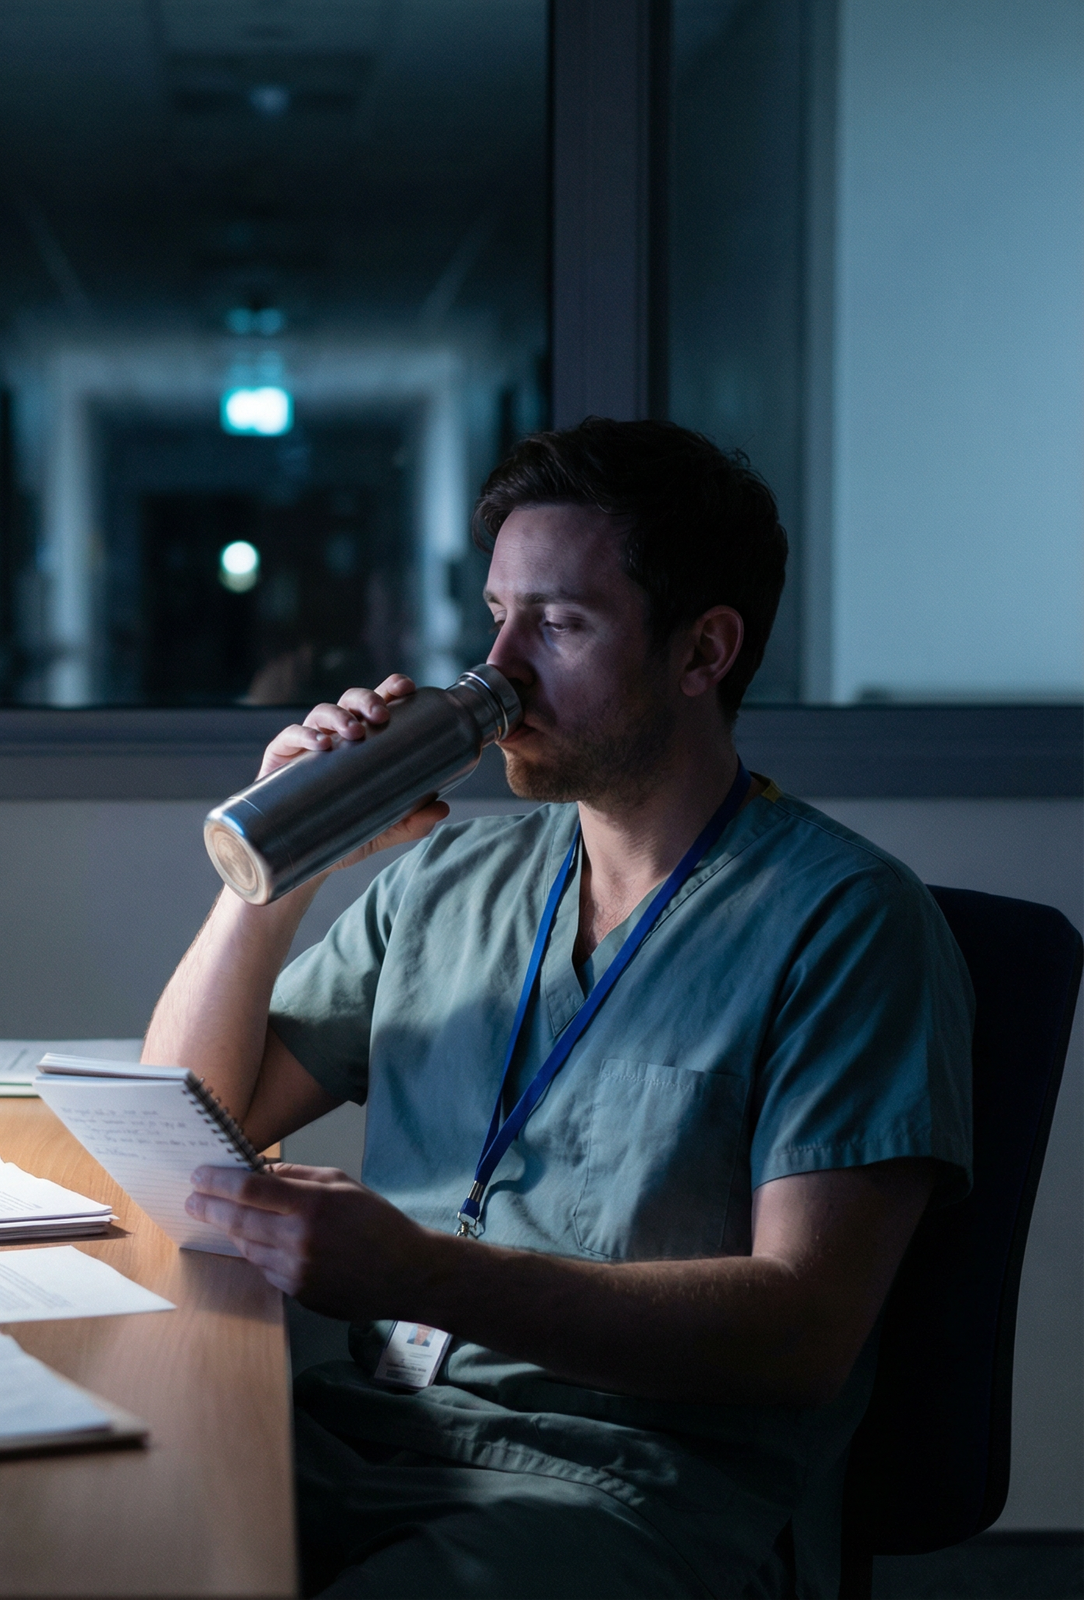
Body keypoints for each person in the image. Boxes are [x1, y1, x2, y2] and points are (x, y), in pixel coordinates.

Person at [143, 418, 973, 1599]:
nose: (499, 668)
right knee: (73, 1537)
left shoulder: (845, 919)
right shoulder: (447, 880)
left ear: (703, 653)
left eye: (559, 623)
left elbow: (801, 1330)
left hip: (618, 1485)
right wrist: (283, 859)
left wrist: (420, 1275)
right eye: (495, 615)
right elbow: (189, 1120)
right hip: (354, 1424)